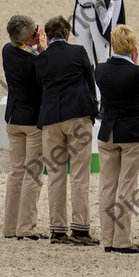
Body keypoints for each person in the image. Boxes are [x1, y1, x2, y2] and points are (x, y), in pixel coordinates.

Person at [34, 15, 100, 246]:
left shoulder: (41, 59)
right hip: (78, 115)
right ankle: (80, 228)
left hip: (51, 119)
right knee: (80, 174)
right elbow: (90, 82)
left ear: (48, 36)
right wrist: (93, 109)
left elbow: (41, 86)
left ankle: (58, 229)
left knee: (55, 175)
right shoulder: (79, 52)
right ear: (67, 34)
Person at [95, 25, 139, 254]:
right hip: (131, 133)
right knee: (126, 187)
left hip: (108, 131)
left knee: (107, 187)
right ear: (133, 48)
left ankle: (108, 239)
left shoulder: (100, 70)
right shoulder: (138, 72)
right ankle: (121, 239)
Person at [2, 15, 47, 240]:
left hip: (13, 116)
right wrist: (43, 49)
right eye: (35, 32)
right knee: (33, 174)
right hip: (32, 120)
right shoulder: (36, 61)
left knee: (15, 172)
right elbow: (47, 76)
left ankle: (10, 226)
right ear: (28, 39)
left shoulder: (7, 52)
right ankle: (26, 226)